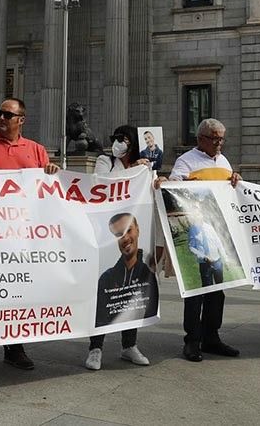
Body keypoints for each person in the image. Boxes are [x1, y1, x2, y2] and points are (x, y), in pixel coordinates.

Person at [0, 97, 60, 373]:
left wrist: (52, 172)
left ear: (21, 120)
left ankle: (15, 349)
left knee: (19, 293)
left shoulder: (37, 151)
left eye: (8, 114)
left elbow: (45, 193)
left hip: (23, 236)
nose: (1, 118)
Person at [168, 118, 241, 362]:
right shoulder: (186, 161)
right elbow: (173, 186)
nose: (220, 143)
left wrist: (235, 180)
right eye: (215, 138)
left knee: (218, 290)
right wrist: (179, 183)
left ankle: (212, 336)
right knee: (197, 291)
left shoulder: (223, 161)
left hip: (220, 233)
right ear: (201, 139)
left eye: (222, 138)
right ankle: (192, 340)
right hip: (199, 233)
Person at [86, 125, 153, 371]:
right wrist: (136, 171)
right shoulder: (105, 160)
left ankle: (129, 345)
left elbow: (152, 188)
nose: (117, 143)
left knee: (133, 291)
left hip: (134, 231)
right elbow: (102, 183)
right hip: (106, 233)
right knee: (105, 291)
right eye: (115, 138)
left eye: (122, 139)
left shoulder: (143, 166)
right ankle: (95, 348)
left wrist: (153, 175)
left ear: (133, 143)